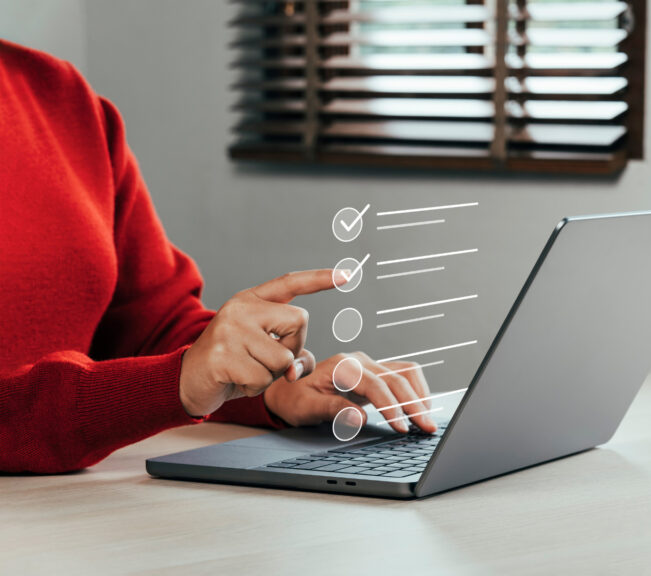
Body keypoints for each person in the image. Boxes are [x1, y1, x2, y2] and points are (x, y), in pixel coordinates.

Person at [0, 39, 436, 474]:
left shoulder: (59, 95)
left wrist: (271, 386)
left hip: (73, 515)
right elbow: (171, 377)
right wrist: (175, 384)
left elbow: (152, 327)